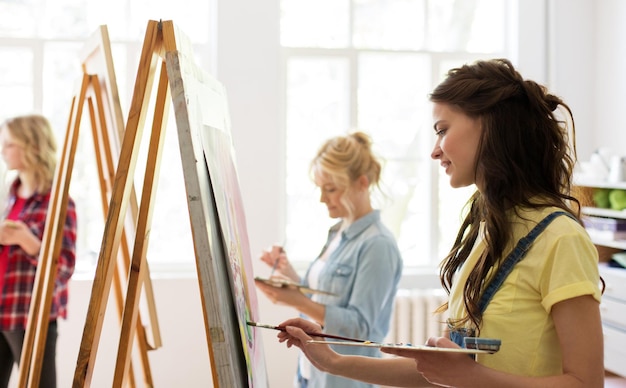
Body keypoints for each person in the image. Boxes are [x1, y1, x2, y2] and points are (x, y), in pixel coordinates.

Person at [275, 58, 605, 388]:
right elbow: (441, 373)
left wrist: (473, 377)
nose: (435, 151)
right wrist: (331, 360)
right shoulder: (485, 234)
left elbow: (586, 383)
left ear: (491, 126)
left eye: (443, 130)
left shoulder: (560, 238)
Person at [255, 132, 403, 388]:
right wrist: (291, 276)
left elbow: (359, 328)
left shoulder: (378, 245)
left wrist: (297, 299)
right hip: (311, 375)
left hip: (344, 381)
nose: (323, 198)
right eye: (320, 189)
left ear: (362, 183)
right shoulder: (337, 233)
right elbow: (323, 302)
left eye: (331, 189)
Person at [0, 114, 77, 388]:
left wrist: (27, 241)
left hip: (30, 313)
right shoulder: (12, 194)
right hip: (3, 307)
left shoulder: (59, 202)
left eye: (9, 144)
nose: (2, 151)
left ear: (32, 147)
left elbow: (64, 267)